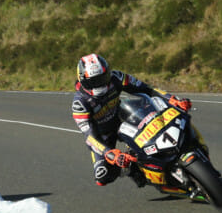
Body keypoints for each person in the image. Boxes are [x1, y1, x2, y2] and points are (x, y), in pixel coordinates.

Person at [71, 53, 191, 186]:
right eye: (93, 82)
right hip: (103, 135)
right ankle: (131, 168)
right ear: (83, 81)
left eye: (103, 78)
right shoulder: (79, 103)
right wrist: (110, 153)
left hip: (123, 118)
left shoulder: (117, 77)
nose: (100, 84)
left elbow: (147, 89)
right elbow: (90, 137)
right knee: (102, 177)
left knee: (161, 125)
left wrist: (170, 98)